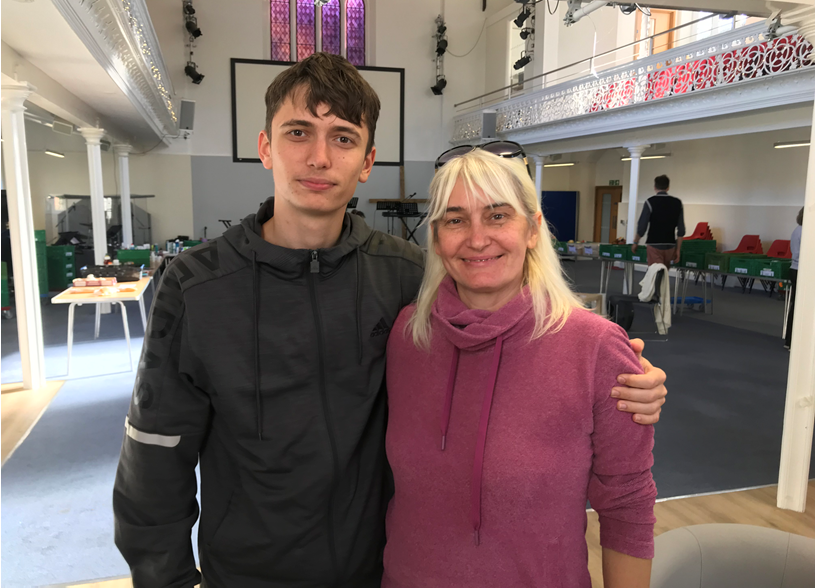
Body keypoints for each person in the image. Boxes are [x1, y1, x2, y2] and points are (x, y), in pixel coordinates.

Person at [113, 53, 668, 587]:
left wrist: (623, 372)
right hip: (249, 575)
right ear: (265, 147)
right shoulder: (195, 286)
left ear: (367, 160)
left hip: (374, 571)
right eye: (298, 132)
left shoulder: (404, 277)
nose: (319, 158)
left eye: (343, 138)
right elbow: (154, 457)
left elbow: (501, 305)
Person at [385, 148, 656, 588]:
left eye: (497, 216)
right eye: (455, 220)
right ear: (435, 239)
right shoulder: (408, 336)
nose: (476, 239)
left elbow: (627, 503)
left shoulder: (595, 347)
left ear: (532, 229)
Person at [632, 174, 685, 266]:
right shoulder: (677, 203)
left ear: (655, 187)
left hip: (654, 244)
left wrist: (636, 242)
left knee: (655, 274)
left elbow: (642, 227)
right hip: (670, 245)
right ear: (668, 188)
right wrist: (678, 250)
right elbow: (681, 230)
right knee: (663, 274)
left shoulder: (650, 202)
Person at [784, 206, 803, 350]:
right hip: (800, 271)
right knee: (798, 307)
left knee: (796, 305)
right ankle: (792, 341)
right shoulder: (804, 231)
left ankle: (789, 341)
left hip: (795, 269)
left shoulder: (797, 229)